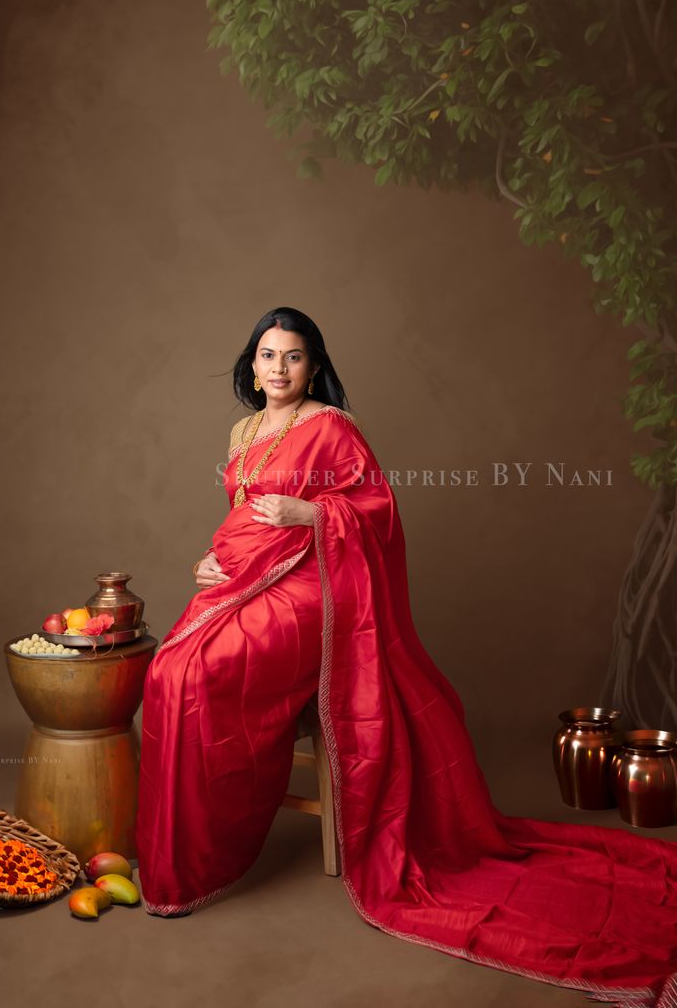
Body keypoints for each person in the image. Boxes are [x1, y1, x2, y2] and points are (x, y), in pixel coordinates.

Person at [136, 307, 677, 1007]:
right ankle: (193, 855)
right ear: (251, 363)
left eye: (293, 357)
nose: (278, 368)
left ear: (313, 365)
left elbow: (378, 509)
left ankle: (214, 837)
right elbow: (243, 515)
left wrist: (312, 515)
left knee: (199, 671)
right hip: (243, 580)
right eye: (267, 355)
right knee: (168, 670)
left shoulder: (331, 426)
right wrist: (209, 559)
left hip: (314, 594)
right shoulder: (243, 430)